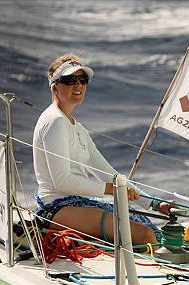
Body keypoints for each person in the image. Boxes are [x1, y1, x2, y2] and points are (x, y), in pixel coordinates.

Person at [33, 53, 169, 246]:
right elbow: (62, 181)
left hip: (75, 204)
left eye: (83, 80)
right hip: (56, 208)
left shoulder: (76, 127)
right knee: (144, 235)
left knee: (150, 230)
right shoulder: (54, 121)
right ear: (55, 87)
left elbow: (107, 173)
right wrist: (113, 190)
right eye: (70, 80)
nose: (78, 85)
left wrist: (153, 203)